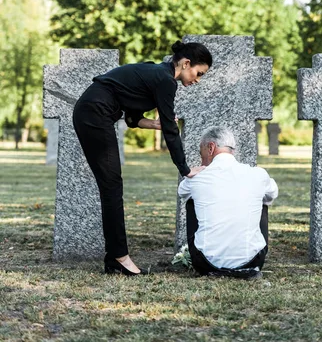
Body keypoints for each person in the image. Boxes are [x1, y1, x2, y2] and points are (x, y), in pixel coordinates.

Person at [73, 40, 212, 276]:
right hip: (94, 113)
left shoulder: (157, 73)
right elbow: (171, 130)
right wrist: (185, 169)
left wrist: (153, 123)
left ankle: (115, 257)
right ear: (186, 63)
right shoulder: (165, 80)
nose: (197, 79)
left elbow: (131, 118)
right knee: (111, 186)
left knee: (111, 186)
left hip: (92, 111)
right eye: (198, 73)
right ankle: (119, 257)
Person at [178, 125, 278, 279]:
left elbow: (182, 192)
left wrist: (192, 174)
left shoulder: (197, 178)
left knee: (191, 200)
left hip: (205, 263)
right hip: (252, 262)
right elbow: (273, 194)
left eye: (201, 152)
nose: (201, 159)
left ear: (210, 148)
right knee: (263, 199)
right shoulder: (258, 174)